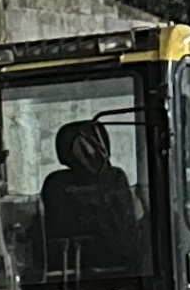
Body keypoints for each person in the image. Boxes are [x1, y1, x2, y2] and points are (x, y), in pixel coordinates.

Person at [40, 118, 147, 277]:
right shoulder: (56, 185)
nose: (91, 154)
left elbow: (126, 233)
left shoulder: (115, 179)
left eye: (94, 146)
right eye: (83, 147)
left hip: (120, 269)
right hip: (65, 273)